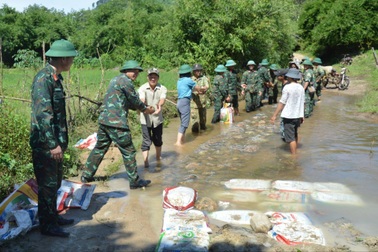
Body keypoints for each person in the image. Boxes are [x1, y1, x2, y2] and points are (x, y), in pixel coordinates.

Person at [81, 60, 155, 189]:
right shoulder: (126, 82)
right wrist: (146, 109)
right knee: (129, 151)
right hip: (116, 122)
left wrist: (141, 107)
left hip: (104, 120)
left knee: (100, 148)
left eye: (137, 71)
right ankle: (134, 181)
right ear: (126, 71)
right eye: (134, 71)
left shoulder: (116, 80)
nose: (136, 73)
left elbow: (127, 101)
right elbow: (135, 100)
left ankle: (86, 175)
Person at [30, 39, 77, 237]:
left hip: (55, 143)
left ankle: (53, 216)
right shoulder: (44, 79)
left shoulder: (56, 77)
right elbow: (43, 114)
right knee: (47, 186)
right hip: (46, 145)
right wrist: (52, 144)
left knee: (55, 183)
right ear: (64, 59)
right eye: (72, 58)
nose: (73, 61)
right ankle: (47, 226)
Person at [270, 68, 305, 155]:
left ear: (289, 77)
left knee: (290, 138)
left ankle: (293, 156)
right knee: (295, 134)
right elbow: (303, 102)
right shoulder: (301, 87)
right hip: (297, 115)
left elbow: (282, 102)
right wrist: (302, 115)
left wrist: (274, 115)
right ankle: (295, 151)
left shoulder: (287, 87)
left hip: (289, 116)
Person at [138, 68, 167, 168]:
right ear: (147, 77)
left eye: (155, 76)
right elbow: (142, 99)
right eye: (151, 76)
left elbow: (162, 98)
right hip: (145, 119)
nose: (153, 78)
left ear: (158, 78)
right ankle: (146, 162)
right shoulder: (142, 88)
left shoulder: (162, 88)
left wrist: (159, 105)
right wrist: (145, 106)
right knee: (146, 141)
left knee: (158, 139)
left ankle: (158, 158)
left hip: (157, 119)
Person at [175, 64, 208, 146]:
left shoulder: (179, 81)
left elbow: (190, 88)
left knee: (183, 122)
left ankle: (181, 140)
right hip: (185, 102)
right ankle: (178, 142)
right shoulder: (189, 80)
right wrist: (202, 89)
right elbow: (198, 88)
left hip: (179, 102)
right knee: (185, 124)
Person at [191, 63, 210, 132]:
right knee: (194, 122)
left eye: (199, 70)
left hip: (202, 102)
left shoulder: (203, 78)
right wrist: (197, 91)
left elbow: (207, 86)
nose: (198, 72)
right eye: (196, 70)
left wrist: (203, 89)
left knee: (203, 122)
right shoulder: (191, 79)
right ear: (193, 71)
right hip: (193, 104)